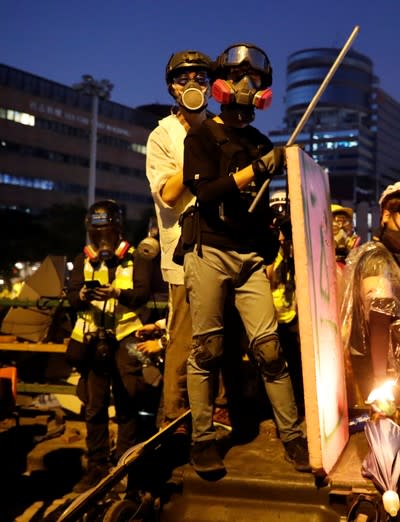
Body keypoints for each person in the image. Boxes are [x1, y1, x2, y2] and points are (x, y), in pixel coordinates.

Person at [182, 42, 309, 476]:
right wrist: (256, 169)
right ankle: (202, 440)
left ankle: (293, 437)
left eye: (254, 80)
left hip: (250, 255)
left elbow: (263, 199)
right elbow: (204, 192)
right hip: (210, 249)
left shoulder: (260, 141)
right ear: (221, 84)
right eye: (238, 78)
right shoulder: (200, 137)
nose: (246, 86)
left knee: (270, 350)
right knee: (208, 348)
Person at [145, 49, 232, 433]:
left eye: (199, 77)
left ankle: (220, 407)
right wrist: (197, 157)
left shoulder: (222, 127)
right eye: (184, 79)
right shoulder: (162, 135)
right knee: (183, 337)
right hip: (183, 252)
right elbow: (167, 194)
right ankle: (174, 416)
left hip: (222, 246)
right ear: (171, 88)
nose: (192, 84)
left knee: (221, 332)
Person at [65, 200, 158, 492]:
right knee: (94, 407)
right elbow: (70, 298)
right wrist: (81, 294)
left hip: (126, 337)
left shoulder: (136, 257)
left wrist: (117, 292)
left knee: (128, 402)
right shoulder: (83, 260)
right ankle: (96, 467)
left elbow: (142, 293)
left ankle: (123, 466)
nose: (103, 239)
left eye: (108, 231)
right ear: (91, 231)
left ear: (118, 230)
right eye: (98, 232)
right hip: (93, 338)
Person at [339, 181, 400, 408]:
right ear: (386, 215)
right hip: (375, 368)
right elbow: (379, 320)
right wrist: (380, 383)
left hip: (393, 365)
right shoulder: (377, 259)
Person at [266, 189, 304, 413]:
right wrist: (273, 242)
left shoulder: (293, 245)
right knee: (272, 365)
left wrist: (290, 242)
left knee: (296, 363)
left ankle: (298, 403)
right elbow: (267, 275)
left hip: (291, 315)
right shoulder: (265, 243)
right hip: (270, 315)